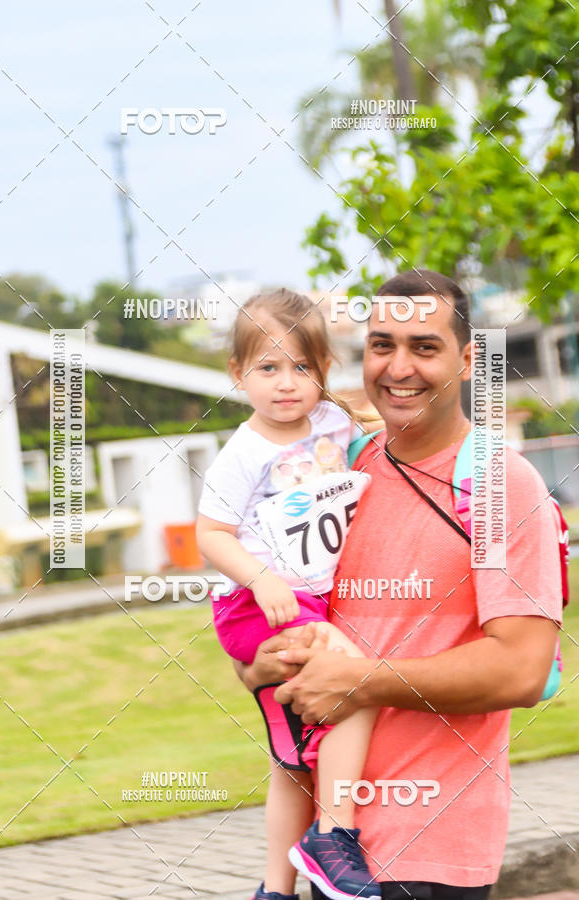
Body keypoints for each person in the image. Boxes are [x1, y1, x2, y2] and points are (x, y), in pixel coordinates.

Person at [243, 270, 562, 900]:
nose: (399, 367)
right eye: (382, 345)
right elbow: (287, 624)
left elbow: (523, 669)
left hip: (429, 848)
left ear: (467, 360)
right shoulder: (339, 471)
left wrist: (359, 681)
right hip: (326, 850)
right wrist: (262, 666)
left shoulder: (498, 484)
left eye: (424, 347)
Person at [196, 288, 383, 900]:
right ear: (238, 373)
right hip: (258, 605)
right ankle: (334, 835)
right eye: (268, 367)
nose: (286, 383)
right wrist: (262, 579)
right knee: (357, 680)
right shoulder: (241, 454)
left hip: (311, 602)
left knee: (293, 759)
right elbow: (211, 534)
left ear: (324, 368)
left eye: (302, 366)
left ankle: (275, 889)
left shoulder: (333, 422)